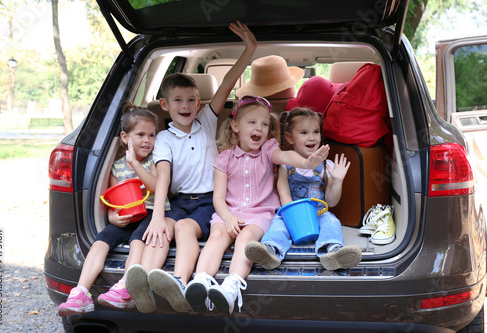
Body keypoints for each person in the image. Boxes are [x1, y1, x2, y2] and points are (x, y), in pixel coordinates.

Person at [124, 21, 257, 313]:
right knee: (161, 232)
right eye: (178, 100)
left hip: (208, 201)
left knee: (183, 227)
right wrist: (158, 217)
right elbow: (163, 178)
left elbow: (225, 84)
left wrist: (249, 51)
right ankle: (142, 285)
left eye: (191, 100)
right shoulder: (162, 139)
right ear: (164, 104)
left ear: (199, 102)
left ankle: (180, 282)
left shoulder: (208, 120)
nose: (185, 106)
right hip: (177, 202)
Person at [183, 96, 329, 315]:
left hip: (260, 213)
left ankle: (231, 286)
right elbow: (218, 199)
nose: (259, 128)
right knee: (217, 236)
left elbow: (286, 155)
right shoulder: (224, 158)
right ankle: (201, 280)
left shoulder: (269, 149)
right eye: (252, 122)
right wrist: (229, 218)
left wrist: (306, 162)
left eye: (264, 124)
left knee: (246, 237)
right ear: (235, 126)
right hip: (229, 212)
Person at [57, 102, 169, 317]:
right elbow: (113, 197)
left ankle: (125, 287)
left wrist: (135, 164)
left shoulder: (155, 161)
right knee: (101, 240)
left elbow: (156, 186)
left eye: (152, 135)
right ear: (126, 138)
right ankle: (80, 293)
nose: (147, 140)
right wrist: (111, 216)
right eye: (141, 135)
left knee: (138, 240)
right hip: (126, 216)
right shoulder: (116, 166)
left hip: (152, 212)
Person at [245, 108, 362, 271]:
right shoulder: (285, 165)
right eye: (304, 132)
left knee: (332, 222)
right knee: (277, 225)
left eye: (316, 131)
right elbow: (284, 193)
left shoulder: (327, 166)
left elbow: (331, 201)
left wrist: (337, 181)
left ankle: (333, 252)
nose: (312, 137)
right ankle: (270, 251)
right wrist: (296, 218)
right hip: (290, 214)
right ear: (289, 137)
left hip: (318, 214)